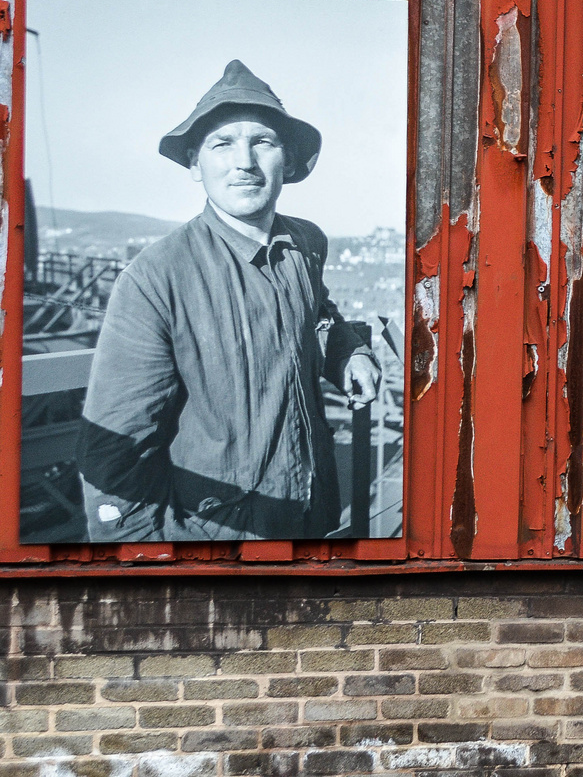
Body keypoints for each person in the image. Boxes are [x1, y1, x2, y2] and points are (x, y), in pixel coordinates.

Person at [77, 61, 380, 542]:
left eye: (263, 141)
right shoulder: (156, 278)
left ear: (289, 158)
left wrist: (349, 352)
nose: (244, 161)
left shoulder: (305, 244)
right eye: (222, 143)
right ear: (196, 164)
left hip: (311, 514)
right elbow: (114, 453)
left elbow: (318, 314)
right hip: (220, 536)